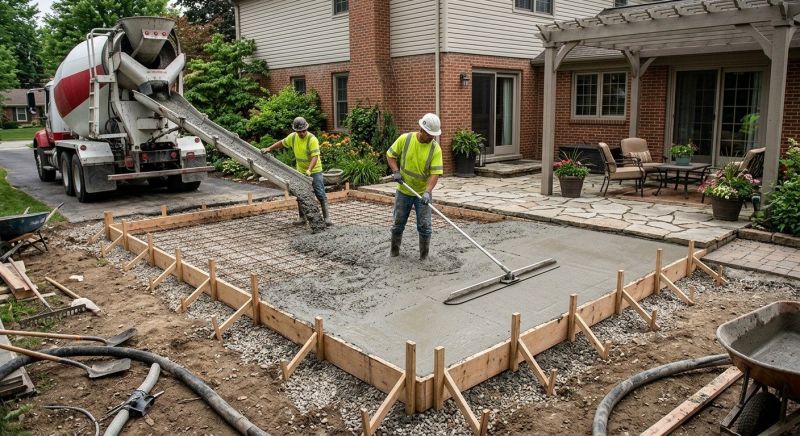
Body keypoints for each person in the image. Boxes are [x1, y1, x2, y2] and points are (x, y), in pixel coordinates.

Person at [386, 113, 443, 260]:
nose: (431, 138)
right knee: (398, 223)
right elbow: (390, 155)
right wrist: (396, 171)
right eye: (429, 134)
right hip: (404, 190)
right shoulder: (405, 139)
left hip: (422, 193)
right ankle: (394, 252)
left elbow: (435, 173)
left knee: (425, 226)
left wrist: (428, 192)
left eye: (433, 135)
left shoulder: (435, 149)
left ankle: (424, 257)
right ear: (421, 129)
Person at [262, 117, 332, 226]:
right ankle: (302, 218)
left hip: (314, 170)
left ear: (306, 129)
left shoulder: (312, 139)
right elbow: (282, 143)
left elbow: (315, 157)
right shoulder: (293, 137)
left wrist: (309, 170)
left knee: (320, 193)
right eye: (299, 131)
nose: (302, 133)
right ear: (296, 131)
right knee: (300, 194)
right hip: (300, 171)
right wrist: (269, 148)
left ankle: (327, 218)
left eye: (304, 131)